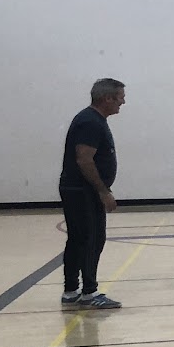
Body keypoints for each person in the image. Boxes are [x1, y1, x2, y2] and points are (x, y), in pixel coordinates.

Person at [59, 78, 127, 309]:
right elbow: (84, 159)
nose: (123, 102)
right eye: (120, 97)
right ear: (107, 98)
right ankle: (89, 292)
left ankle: (71, 291)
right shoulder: (90, 122)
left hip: (80, 190)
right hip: (83, 191)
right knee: (91, 239)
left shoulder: (93, 120)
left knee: (79, 239)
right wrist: (103, 191)